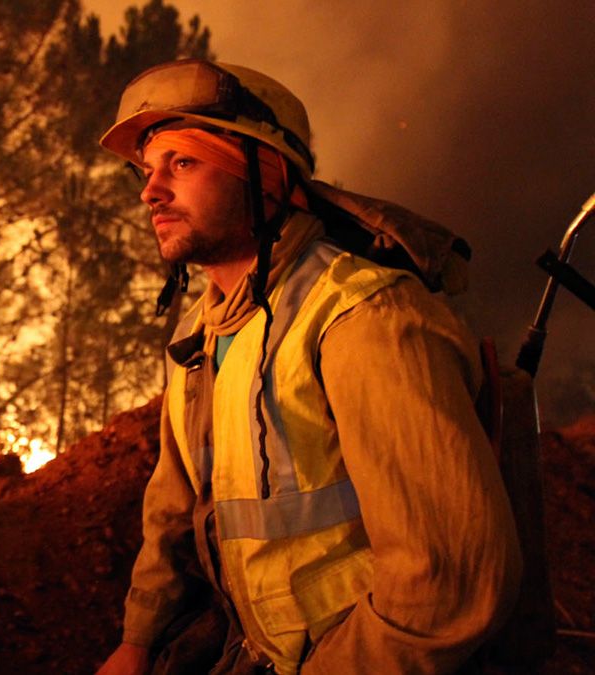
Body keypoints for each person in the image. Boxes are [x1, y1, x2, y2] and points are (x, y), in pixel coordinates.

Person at [95, 59, 523, 675]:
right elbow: (174, 510)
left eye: (182, 163)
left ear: (264, 176)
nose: (150, 190)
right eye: (148, 167)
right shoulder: (201, 332)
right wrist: (138, 641)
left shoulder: (362, 317)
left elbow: (446, 584)